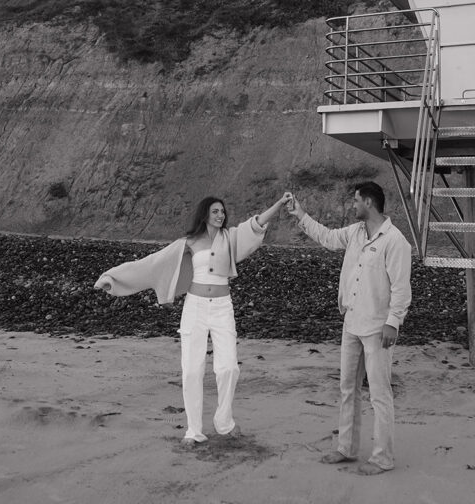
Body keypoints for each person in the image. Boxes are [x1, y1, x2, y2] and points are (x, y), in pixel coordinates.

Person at [94, 191, 292, 445]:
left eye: (223, 212)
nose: (221, 215)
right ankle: (193, 430)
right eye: (215, 212)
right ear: (205, 215)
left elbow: (257, 224)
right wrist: (113, 278)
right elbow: (151, 264)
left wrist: (278, 203)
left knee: (228, 367)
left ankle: (224, 422)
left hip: (222, 308)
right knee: (191, 370)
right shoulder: (187, 243)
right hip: (195, 309)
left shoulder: (230, 238)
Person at [286, 181, 411, 476]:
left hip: (378, 328)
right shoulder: (354, 233)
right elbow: (327, 237)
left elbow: (401, 288)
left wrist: (394, 323)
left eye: (356, 201)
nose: (352, 205)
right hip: (352, 322)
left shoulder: (395, 241)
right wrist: (300, 214)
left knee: (380, 394)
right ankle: (346, 448)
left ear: (369, 202)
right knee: (347, 388)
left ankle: (383, 458)